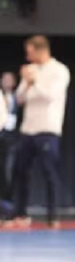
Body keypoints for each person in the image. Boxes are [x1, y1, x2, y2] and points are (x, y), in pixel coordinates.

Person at [8, 36, 71, 229]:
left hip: (48, 128)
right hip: (28, 128)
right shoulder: (31, 70)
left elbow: (51, 95)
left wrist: (34, 81)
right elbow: (19, 99)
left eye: (30, 52)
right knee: (20, 171)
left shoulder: (59, 70)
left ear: (40, 50)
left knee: (49, 172)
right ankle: (20, 214)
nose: (28, 56)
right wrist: (26, 83)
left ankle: (52, 216)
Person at [0, 72, 17, 203]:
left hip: (11, 136)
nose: (7, 82)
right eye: (4, 79)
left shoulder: (17, 97)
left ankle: (8, 200)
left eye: (9, 79)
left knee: (9, 168)